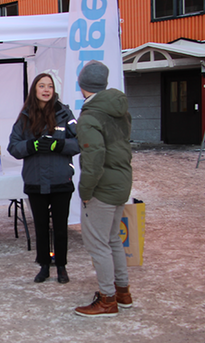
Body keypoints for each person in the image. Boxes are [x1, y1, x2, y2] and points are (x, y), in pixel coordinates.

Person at [73, 60, 134, 317]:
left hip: (102, 187)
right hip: (121, 181)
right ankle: (123, 293)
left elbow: (93, 159)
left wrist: (85, 192)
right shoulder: (118, 110)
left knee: (98, 244)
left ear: (82, 84)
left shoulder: (90, 117)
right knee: (113, 241)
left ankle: (108, 299)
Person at [7, 73, 80, 284]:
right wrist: (32, 145)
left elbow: (80, 142)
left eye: (49, 86)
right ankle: (44, 266)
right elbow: (13, 147)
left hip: (60, 180)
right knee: (40, 227)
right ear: (35, 90)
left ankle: (62, 266)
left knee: (60, 228)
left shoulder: (65, 113)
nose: (46, 90)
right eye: (42, 86)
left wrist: (59, 145)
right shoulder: (25, 117)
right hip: (35, 181)